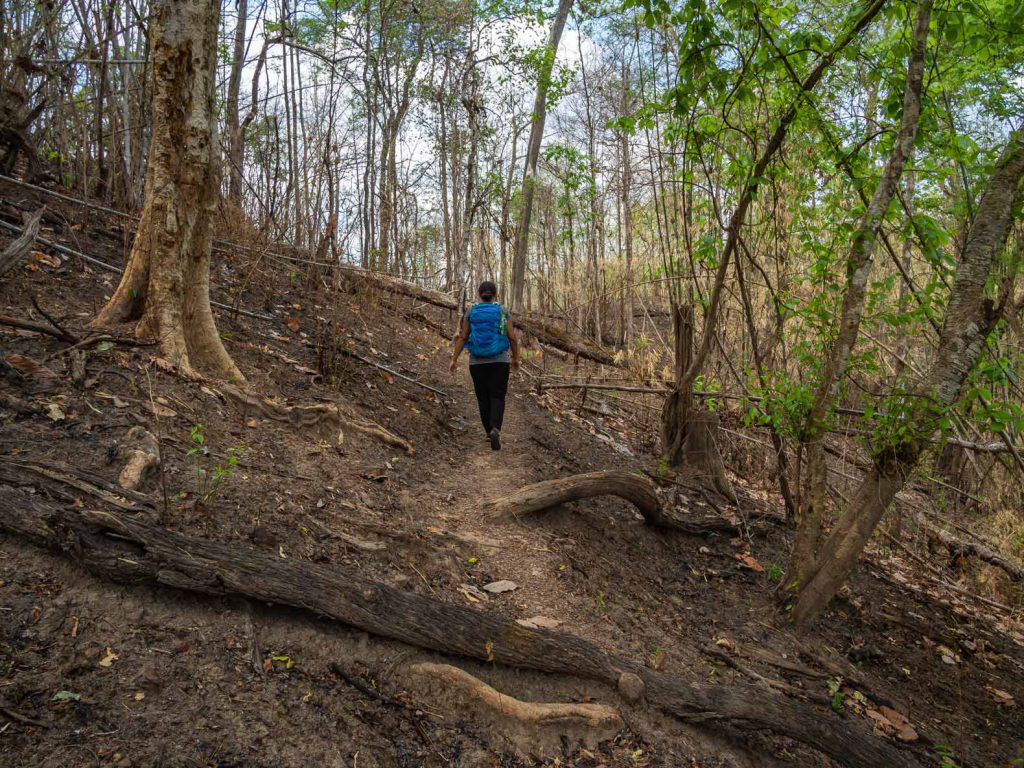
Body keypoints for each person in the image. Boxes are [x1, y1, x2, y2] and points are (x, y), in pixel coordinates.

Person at [449, 280, 520, 450]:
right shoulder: (502, 311)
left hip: (477, 363)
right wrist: (516, 359)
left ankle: (488, 431)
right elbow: (512, 337)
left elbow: (464, 336)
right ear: (495, 294)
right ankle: (496, 427)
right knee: (497, 395)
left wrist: (454, 359)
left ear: (479, 294)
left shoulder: (471, 311)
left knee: (483, 397)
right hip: (500, 361)